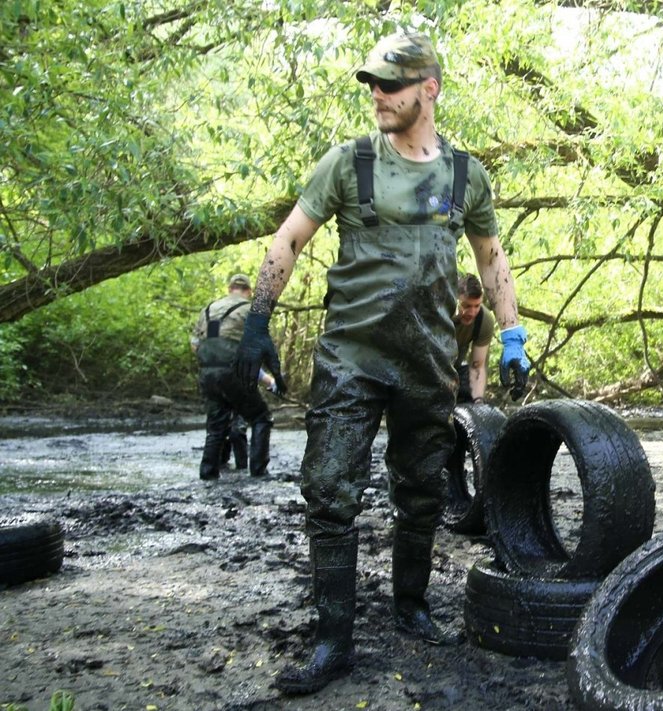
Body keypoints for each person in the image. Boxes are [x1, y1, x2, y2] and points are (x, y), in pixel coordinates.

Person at [233, 31, 531, 695]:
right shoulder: (349, 162)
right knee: (330, 489)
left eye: (391, 84)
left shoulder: (465, 175)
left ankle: (411, 605)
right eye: (372, 83)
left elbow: (489, 257)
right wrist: (257, 319)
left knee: (422, 489)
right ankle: (333, 639)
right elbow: (290, 237)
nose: (377, 94)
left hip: (427, 359)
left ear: (429, 88)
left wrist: (511, 334)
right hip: (351, 358)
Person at [190, 274, 278, 480]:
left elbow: (197, 345)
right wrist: (265, 379)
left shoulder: (211, 310)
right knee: (261, 418)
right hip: (235, 372)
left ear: (230, 289)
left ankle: (208, 474)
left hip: (208, 372)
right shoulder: (250, 310)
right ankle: (258, 472)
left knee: (216, 425)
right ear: (248, 291)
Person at [452, 273, 495, 403]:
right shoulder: (439, 314)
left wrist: (478, 401)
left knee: (470, 394)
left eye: (476, 306)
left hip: (455, 369)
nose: (472, 313)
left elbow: (478, 366)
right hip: (424, 369)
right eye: (466, 306)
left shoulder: (484, 320)